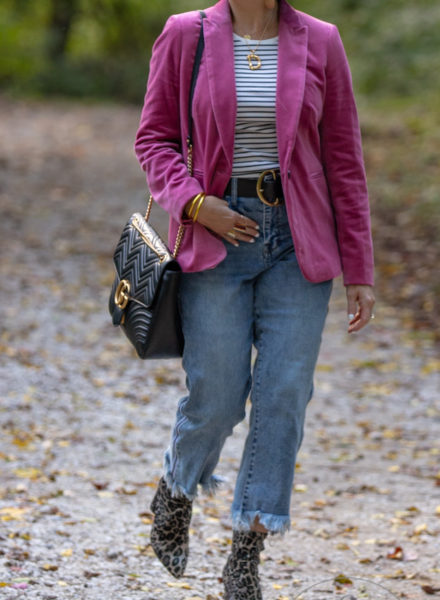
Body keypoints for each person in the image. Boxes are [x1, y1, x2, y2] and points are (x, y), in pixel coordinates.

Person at [134, 0, 375, 598]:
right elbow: (154, 140)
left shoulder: (321, 41)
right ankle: (177, 484)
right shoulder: (185, 35)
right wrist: (194, 204)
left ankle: (247, 548)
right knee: (216, 395)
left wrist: (359, 266)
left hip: (299, 243)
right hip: (216, 238)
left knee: (284, 396)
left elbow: (344, 161)